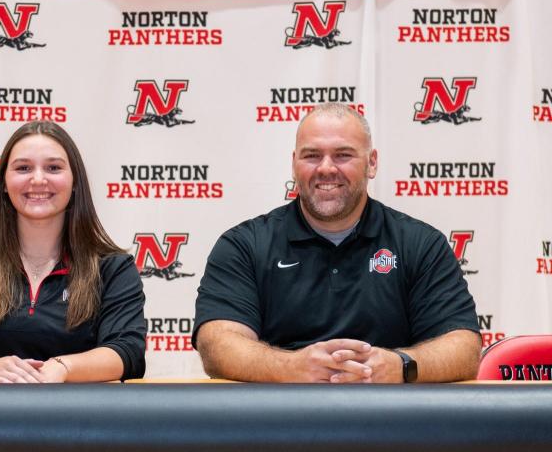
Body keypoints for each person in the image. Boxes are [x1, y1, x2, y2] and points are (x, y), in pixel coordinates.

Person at [194, 103, 480, 383]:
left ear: (372, 163)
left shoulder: (420, 244)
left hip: (390, 421)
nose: (326, 168)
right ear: (294, 164)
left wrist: (399, 366)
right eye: (312, 156)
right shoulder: (244, 245)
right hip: (279, 422)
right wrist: (291, 367)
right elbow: (217, 344)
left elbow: (463, 348)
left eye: (343, 155)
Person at [0, 120, 146, 383]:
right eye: (23, 168)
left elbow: (128, 351)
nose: (38, 179)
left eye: (53, 168)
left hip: (78, 421)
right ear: (3, 182)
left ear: (75, 182)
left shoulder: (113, 267)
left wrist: (63, 367)